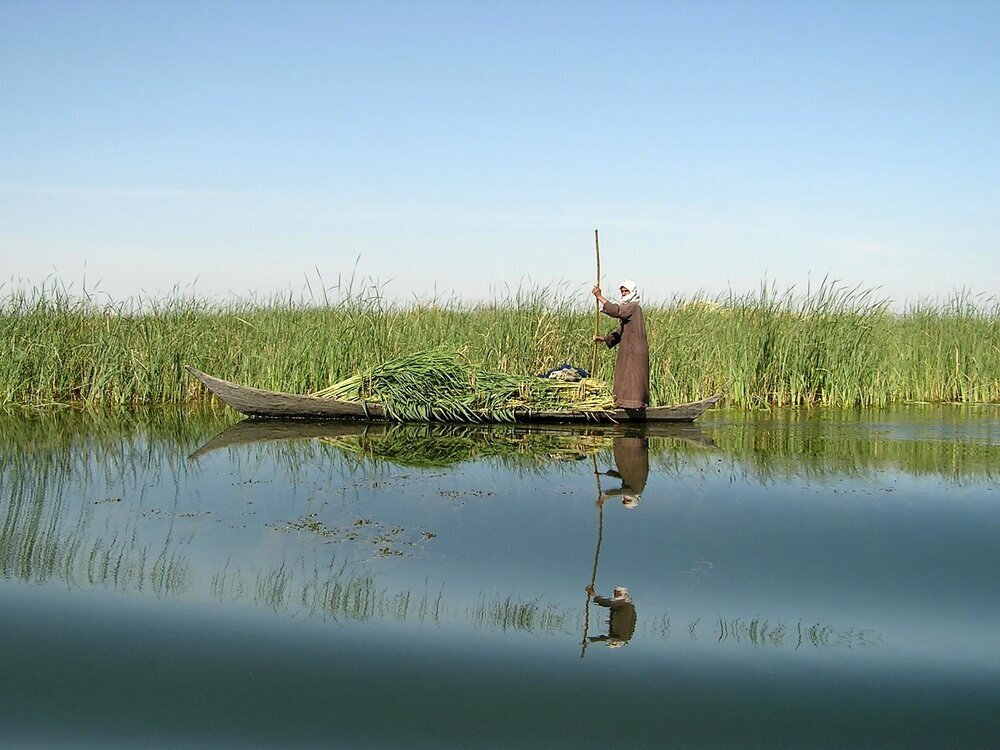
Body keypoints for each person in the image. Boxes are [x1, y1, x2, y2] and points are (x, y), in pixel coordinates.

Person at [592, 279, 649, 409]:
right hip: (629, 349)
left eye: (626, 291)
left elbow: (616, 311)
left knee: (633, 377)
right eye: (622, 291)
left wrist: (599, 296)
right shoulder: (629, 309)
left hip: (634, 351)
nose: (623, 293)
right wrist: (604, 339)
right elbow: (621, 332)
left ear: (632, 292)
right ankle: (624, 404)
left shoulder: (634, 307)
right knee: (625, 376)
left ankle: (634, 405)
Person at [596, 435, 649, 509]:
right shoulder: (635, 491)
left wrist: (604, 474)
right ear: (634, 499)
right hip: (632, 449)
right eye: (627, 500)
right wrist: (605, 497)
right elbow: (620, 491)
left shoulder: (634, 485)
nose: (625, 497)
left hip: (631, 447)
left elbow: (622, 476)